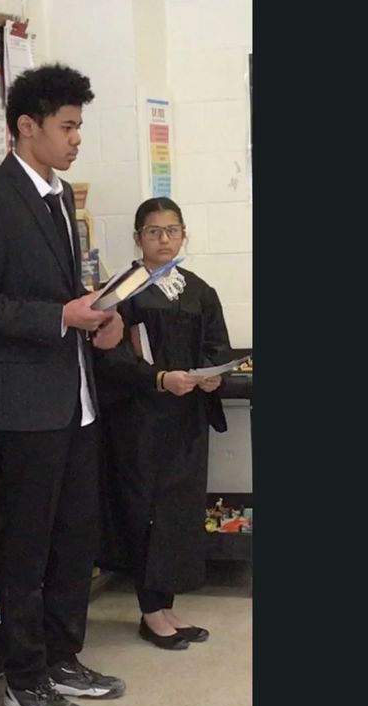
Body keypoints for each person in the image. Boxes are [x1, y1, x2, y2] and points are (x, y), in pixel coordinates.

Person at [0, 64, 127, 706]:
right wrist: (60, 318)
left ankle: (61, 655)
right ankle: (24, 677)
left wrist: (99, 315)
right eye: (68, 126)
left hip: (75, 397)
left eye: (80, 125)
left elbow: (68, 293)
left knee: (75, 535)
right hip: (25, 404)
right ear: (28, 127)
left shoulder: (59, 197)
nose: (77, 138)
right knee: (25, 546)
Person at [93, 196, 232, 650]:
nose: (164, 239)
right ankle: (150, 611)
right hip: (140, 421)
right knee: (145, 511)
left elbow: (217, 348)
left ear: (184, 234)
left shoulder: (197, 290)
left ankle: (166, 605)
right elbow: (110, 358)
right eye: (154, 232)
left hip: (186, 420)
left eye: (172, 230)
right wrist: (158, 378)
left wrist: (212, 378)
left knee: (178, 511)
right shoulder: (122, 293)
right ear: (138, 239)